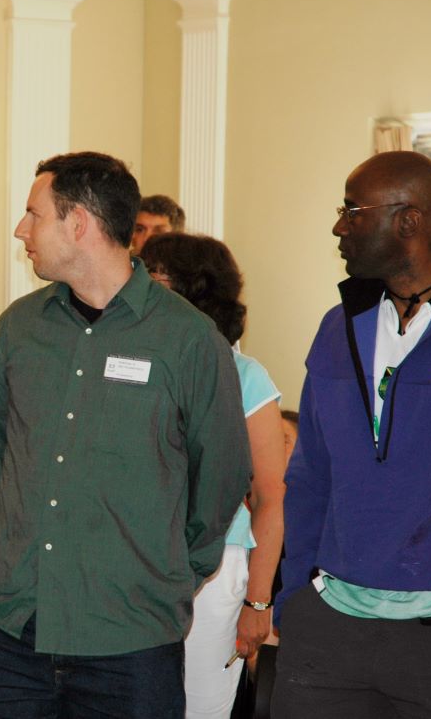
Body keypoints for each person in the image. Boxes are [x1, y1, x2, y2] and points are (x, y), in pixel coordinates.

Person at [0, 152, 251, 718]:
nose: (21, 230)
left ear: (79, 224)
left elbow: (221, 480)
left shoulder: (189, 341)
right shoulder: (19, 327)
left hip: (130, 645)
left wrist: (163, 573)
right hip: (6, 633)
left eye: (33, 214)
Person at [273, 150, 431, 718]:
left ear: (409, 220)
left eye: (352, 210)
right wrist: (295, 601)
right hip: (328, 637)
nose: (339, 225)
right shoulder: (338, 326)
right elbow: (310, 475)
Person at [140, 233, 286, 719]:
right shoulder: (126, 366)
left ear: (198, 292)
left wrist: (259, 604)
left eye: (155, 278)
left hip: (215, 568)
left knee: (199, 709)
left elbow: (270, 496)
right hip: (130, 563)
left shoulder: (243, 375)